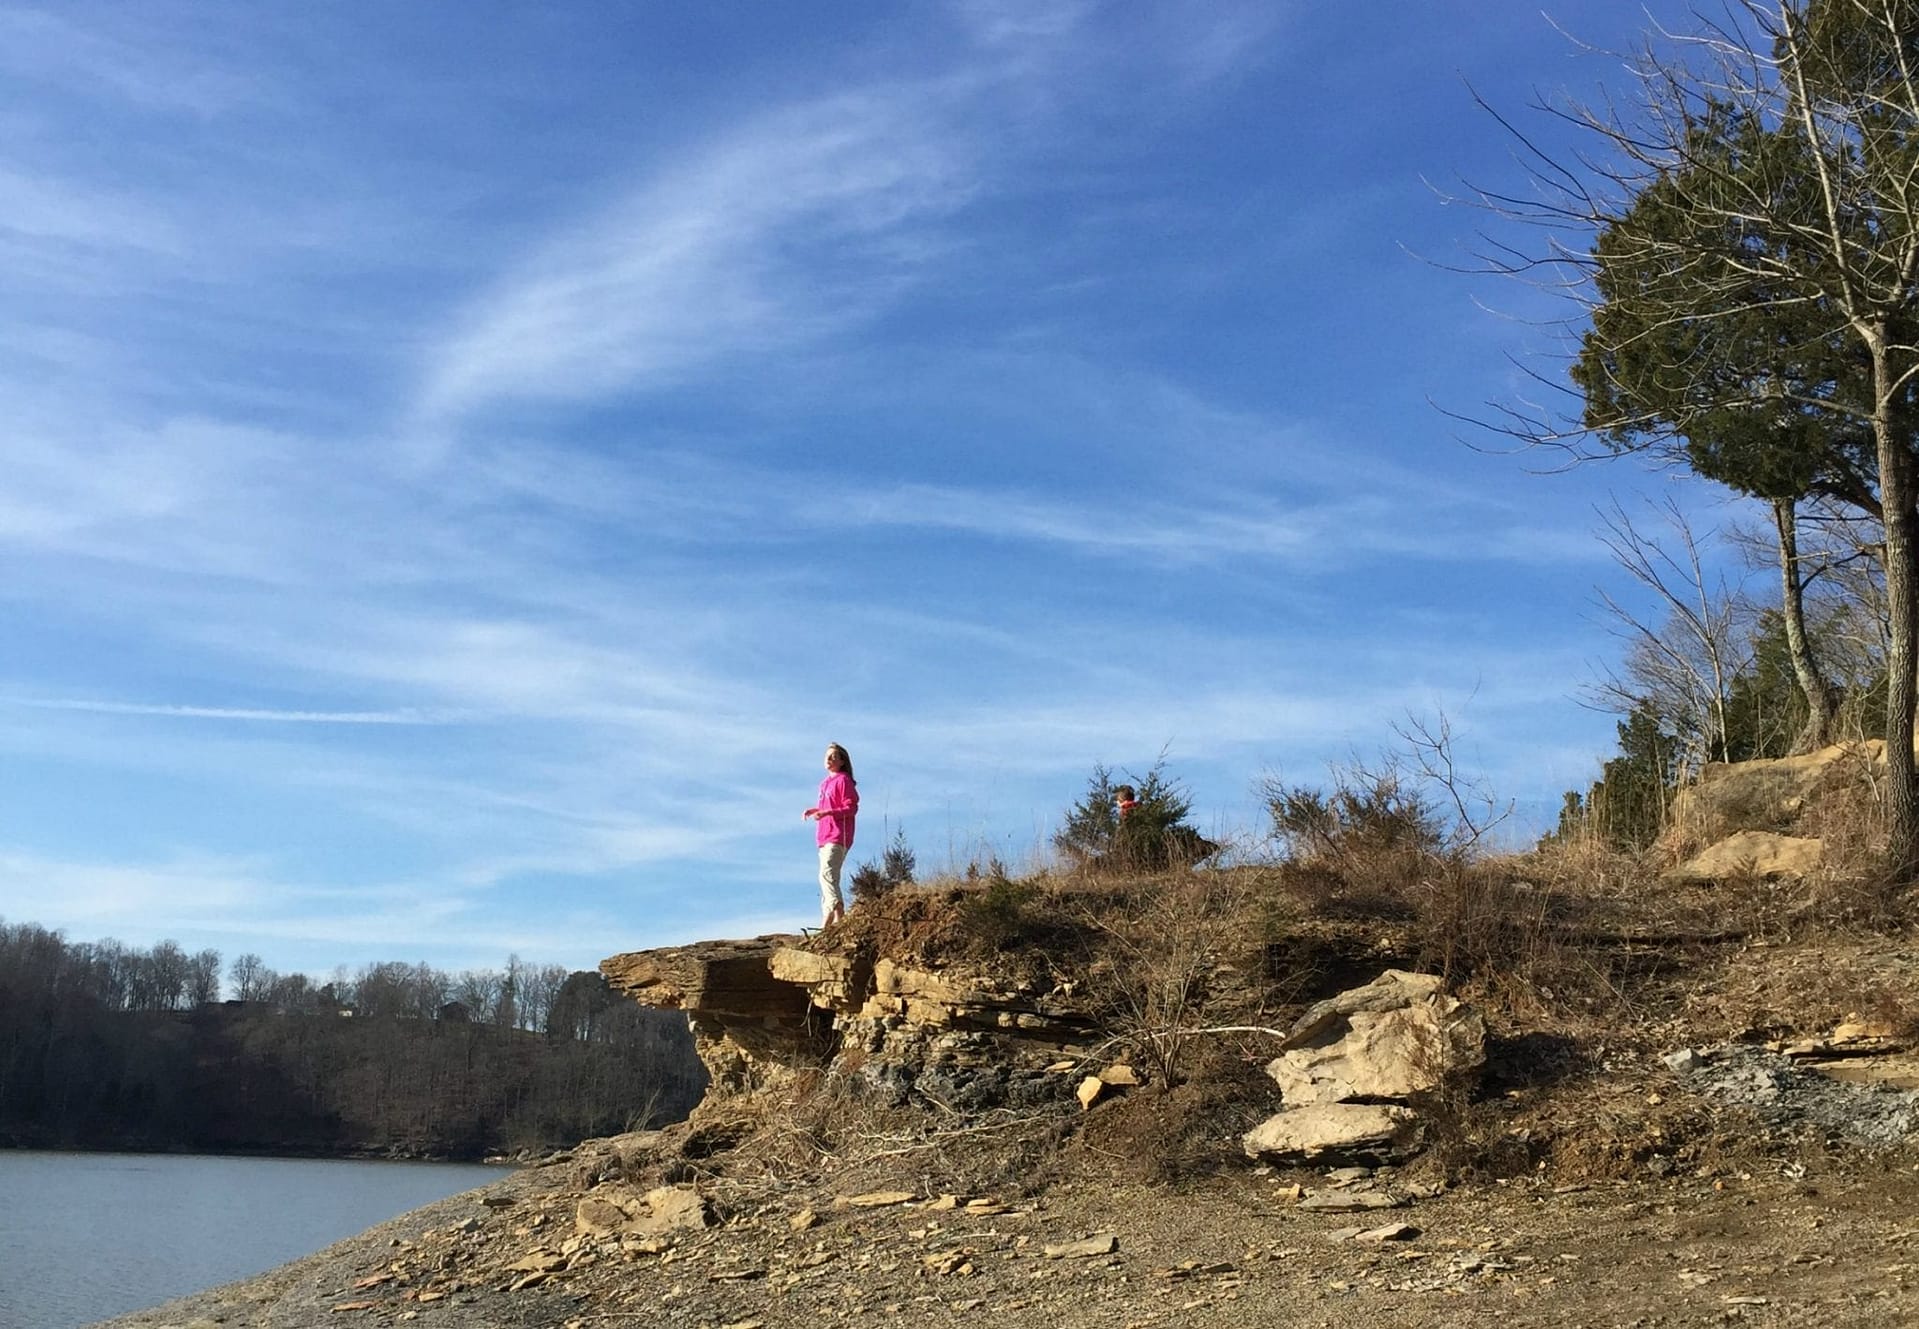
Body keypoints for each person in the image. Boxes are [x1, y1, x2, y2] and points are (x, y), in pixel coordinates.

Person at [803, 743, 859, 926]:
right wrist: (816, 810)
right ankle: (827, 920)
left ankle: (838, 910)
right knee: (826, 876)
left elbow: (851, 807)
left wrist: (827, 813)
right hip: (824, 836)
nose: (829, 759)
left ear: (842, 761)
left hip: (838, 835)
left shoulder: (843, 780)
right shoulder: (825, 783)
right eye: (827, 756)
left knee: (827, 873)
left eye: (834, 756)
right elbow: (830, 805)